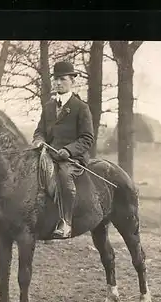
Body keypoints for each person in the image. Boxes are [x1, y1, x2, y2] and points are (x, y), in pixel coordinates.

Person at [32, 61, 94, 239]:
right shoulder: (48, 107)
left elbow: (87, 138)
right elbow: (40, 131)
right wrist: (39, 141)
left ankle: (66, 222)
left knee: (64, 176)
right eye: (56, 79)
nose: (58, 83)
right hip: (49, 155)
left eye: (63, 79)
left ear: (72, 81)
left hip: (72, 158)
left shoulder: (81, 108)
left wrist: (68, 150)